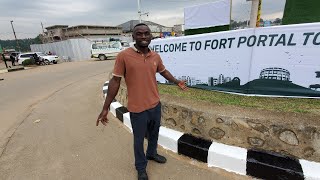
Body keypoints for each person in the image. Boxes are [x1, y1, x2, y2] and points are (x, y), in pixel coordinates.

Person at [96, 23, 187, 180]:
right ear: (133, 37)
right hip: (137, 109)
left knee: (154, 134)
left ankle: (151, 153)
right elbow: (115, 81)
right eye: (139, 34)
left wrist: (176, 81)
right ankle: (141, 167)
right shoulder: (124, 56)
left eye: (146, 33)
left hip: (155, 105)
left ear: (151, 36)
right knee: (138, 141)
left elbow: (163, 71)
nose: (143, 36)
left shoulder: (155, 56)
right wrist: (105, 108)